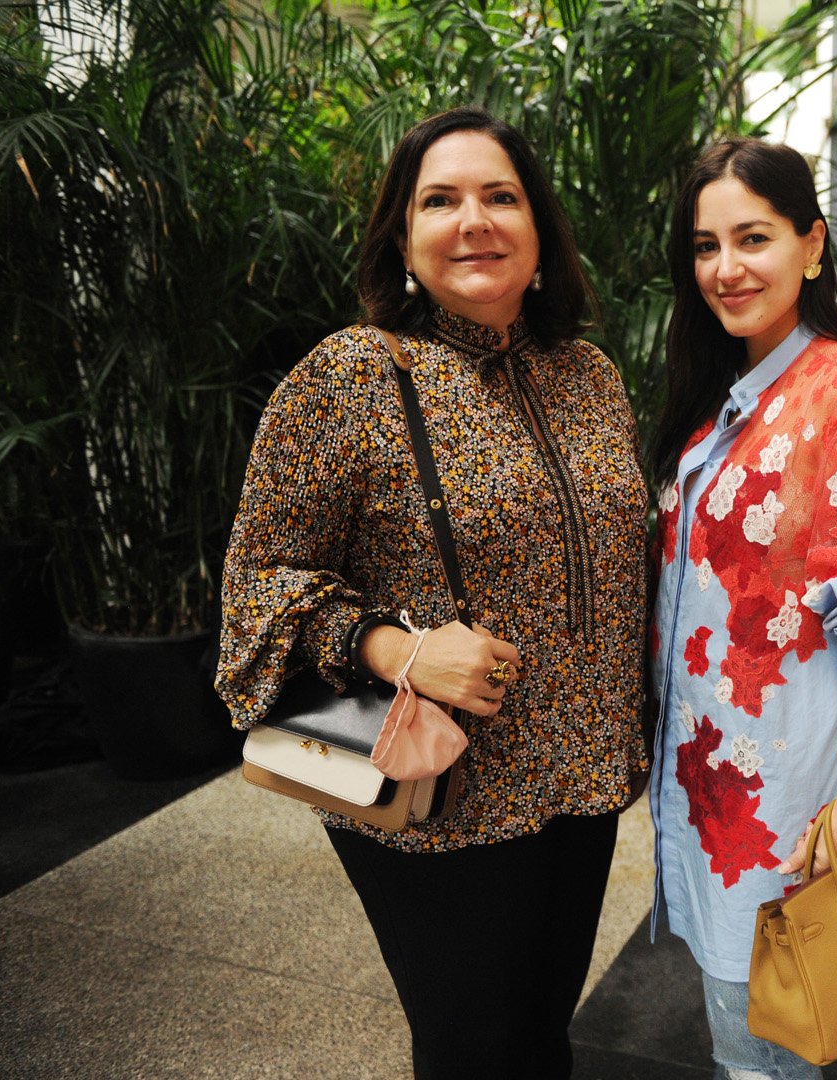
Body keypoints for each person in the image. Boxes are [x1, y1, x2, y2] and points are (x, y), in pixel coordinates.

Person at [216, 106, 649, 1079]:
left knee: (541, 1036)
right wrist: (394, 647)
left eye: (501, 196)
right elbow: (258, 582)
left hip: (581, 786)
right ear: (404, 240)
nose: (474, 220)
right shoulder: (351, 378)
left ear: (539, 232)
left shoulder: (589, 378)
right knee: (471, 1049)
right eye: (441, 200)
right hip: (437, 782)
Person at [647, 137, 837, 1080]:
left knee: (767, 1054)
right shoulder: (729, 395)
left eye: (753, 238)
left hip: (792, 802)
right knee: (745, 1039)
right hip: (718, 791)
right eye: (704, 246)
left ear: (812, 246)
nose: (726, 269)